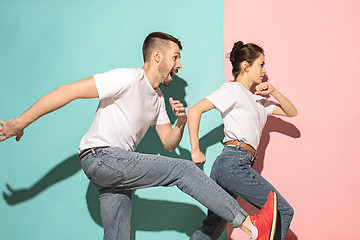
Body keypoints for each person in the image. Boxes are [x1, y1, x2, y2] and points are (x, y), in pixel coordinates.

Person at [0, 32, 277, 240]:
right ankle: (250, 226)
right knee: (183, 170)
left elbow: (168, 143)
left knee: (118, 235)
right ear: (158, 56)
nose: (179, 64)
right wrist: (19, 122)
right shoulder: (127, 78)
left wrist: (181, 123)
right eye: (176, 57)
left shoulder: (157, 99)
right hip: (102, 157)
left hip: (115, 171)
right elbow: (66, 91)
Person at [188, 41, 297, 240]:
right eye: (261, 64)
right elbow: (194, 110)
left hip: (234, 165)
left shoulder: (259, 101)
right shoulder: (233, 90)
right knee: (283, 211)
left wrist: (273, 91)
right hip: (232, 162)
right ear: (246, 65)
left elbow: (292, 112)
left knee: (211, 229)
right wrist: (195, 149)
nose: (264, 70)